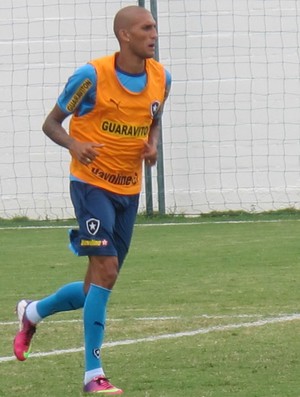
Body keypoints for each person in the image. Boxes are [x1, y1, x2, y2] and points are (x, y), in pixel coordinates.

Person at [13, 4, 171, 395]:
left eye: (155, 27)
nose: (154, 34)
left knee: (95, 287)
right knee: (107, 270)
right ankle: (92, 376)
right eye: (146, 28)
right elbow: (51, 123)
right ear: (125, 36)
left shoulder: (161, 78)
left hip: (127, 191)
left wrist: (151, 145)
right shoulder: (91, 76)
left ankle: (32, 313)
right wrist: (74, 143)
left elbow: (154, 117)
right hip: (90, 186)